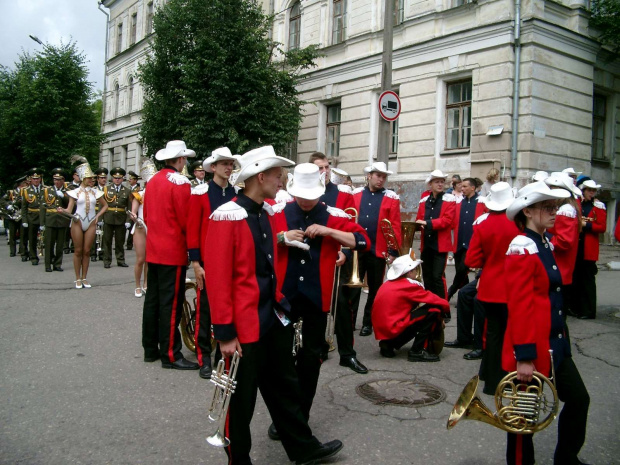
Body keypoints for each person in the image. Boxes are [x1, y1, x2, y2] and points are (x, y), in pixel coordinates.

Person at [205, 146, 344, 465]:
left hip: (271, 319)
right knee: (240, 402)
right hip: (242, 327)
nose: (283, 180)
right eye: (278, 175)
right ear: (260, 176)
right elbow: (218, 276)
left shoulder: (265, 212)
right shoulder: (227, 214)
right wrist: (225, 333)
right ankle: (238, 459)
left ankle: (303, 448)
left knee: (285, 388)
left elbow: (265, 259)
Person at [273, 163, 370, 426]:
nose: (306, 200)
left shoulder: (332, 214)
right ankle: (283, 414)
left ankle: (301, 415)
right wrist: (281, 237)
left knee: (310, 361)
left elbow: (363, 241)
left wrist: (329, 232)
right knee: (282, 360)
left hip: (317, 299)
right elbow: (261, 243)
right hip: (284, 297)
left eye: (311, 195)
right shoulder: (278, 213)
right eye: (302, 195)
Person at [503, 180, 589, 465]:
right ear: (527, 212)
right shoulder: (522, 246)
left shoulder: (543, 241)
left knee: (579, 399)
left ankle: (566, 459)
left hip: (555, 344)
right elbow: (520, 306)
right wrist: (525, 356)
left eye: (555, 207)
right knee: (522, 425)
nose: (555, 212)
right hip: (532, 348)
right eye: (547, 207)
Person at [142, 140, 199, 370]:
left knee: (153, 300)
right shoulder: (180, 182)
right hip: (172, 250)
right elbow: (186, 218)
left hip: (154, 248)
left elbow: (146, 215)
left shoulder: (153, 180)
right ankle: (171, 355)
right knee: (171, 304)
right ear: (181, 159)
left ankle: (150, 348)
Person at [311, 153, 368, 374]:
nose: (324, 171)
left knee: (342, 306)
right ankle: (320, 347)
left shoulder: (342, 193)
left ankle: (347, 354)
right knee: (314, 306)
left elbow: (351, 226)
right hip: (310, 259)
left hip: (336, 258)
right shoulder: (302, 192)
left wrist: (344, 251)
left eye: (326, 167)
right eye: (319, 168)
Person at [187, 147, 238, 379]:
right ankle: (203, 358)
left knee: (226, 310)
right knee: (205, 311)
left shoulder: (236, 192)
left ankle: (221, 355)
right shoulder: (200, 193)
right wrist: (196, 263)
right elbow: (193, 229)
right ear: (213, 168)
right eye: (223, 164)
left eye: (230, 163)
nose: (228, 167)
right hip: (207, 263)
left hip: (230, 262)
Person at [463, 182, 519, 392]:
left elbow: (471, 259)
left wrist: (489, 260)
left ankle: (488, 376)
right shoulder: (518, 224)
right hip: (512, 286)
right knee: (507, 334)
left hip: (490, 286)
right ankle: (500, 379)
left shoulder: (482, 224)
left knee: (493, 333)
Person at [352, 161, 401, 337]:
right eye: (378, 176)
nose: (381, 180)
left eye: (384, 177)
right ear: (369, 176)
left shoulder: (391, 197)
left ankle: (368, 323)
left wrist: (393, 250)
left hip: (378, 249)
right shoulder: (356, 194)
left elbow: (395, 225)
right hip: (357, 248)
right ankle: (349, 322)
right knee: (353, 287)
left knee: (374, 289)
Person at [372, 254, 449, 362]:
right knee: (434, 310)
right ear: (409, 272)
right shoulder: (408, 285)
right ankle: (417, 351)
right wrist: (444, 311)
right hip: (392, 328)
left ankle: (388, 344)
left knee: (420, 313)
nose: (416, 272)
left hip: (385, 330)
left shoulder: (388, 283)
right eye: (414, 270)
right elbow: (433, 299)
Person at [59, 158, 109, 288]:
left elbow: (105, 206)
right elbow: (69, 209)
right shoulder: (74, 192)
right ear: (83, 178)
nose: (92, 180)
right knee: (78, 250)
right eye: (89, 178)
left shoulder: (96, 192)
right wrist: (62, 210)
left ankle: (84, 277)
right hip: (77, 221)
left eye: (92, 178)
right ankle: (77, 278)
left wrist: (98, 216)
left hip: (91, 222)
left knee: (87, 251)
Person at [544, 172, 582, 323]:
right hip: (560, 267)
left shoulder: (566, 210)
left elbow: (564, 241)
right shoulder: (566, 208)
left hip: (561, 267)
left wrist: (545, 239)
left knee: (557, 317)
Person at [415, 170, 456, 303]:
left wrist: (427, 223)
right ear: (430, 184)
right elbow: (419, 218)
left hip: (440, 245)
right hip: (426, 244)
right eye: (437, 182)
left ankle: (443, 307)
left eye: (442, 182)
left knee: (437, 277)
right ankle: (430, 303)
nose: (440, 184)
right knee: (427, 276)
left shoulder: (449, 199)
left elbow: (447, 220)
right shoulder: (424, 201)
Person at [570, 178, 606, 319]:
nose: (591, 193)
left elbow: (602, 227)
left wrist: (587, 226)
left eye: (593, 191)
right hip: (578, 246)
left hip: (588, 248)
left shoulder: (599, 206)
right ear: (583, 191)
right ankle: (577, 308)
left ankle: (589, 311)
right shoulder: (579, 204)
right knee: (577, 279)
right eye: (589, 190)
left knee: (588, 281)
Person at [447, 177, 486, 301]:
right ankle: (465, 296)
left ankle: (448, 294)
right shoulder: (459, 203)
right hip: (459, 242)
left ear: (473, 188)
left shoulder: (481, 202)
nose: (462, 189)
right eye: (461, 186)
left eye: (464, 186)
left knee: (462, 270)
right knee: (461, 272)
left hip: (472, 243)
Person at [128, 160, 157, 298]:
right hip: (140, 228)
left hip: (153, 228)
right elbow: (133, 212)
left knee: (149, 260)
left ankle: (146, 283)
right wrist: (134, 218)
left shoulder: (158, 194)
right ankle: (137, 285)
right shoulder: (138, 195)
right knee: (141, 259)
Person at [40, 168, 71, 272]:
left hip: (62, 220)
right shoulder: (47, 191)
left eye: (59, 180)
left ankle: (57, 264)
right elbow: (43, 207)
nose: (57, 182)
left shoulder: (68, 191)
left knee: (60, 245)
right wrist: (42, 223)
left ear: (63, 180)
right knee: (49, 244)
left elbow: (71, 206)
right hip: (50, 220)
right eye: (55, 180)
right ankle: (47, 265)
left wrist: (64, 197)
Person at [102, 167, 132, 269]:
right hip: (108, 217)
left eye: (119, 178)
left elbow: (129, 207)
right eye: (115, 178)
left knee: (120, 241)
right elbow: (102, 205)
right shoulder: (106, 189)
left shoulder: (127, 191)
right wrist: (100, 218)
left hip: (121, 218)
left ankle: (120, 260)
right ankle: (107, 260)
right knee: (107, 241)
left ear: (123, 179)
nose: (117, 180)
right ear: (112, 178)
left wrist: (128, 220)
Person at [20, 168, 45, 265]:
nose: (36, 180)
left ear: (40, 179)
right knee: (32, 238)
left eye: (37, 178)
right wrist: (24, 220)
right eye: (34, 179)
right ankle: (33, 256)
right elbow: (24, 207)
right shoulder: (26, 191)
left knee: (46, 238)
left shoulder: (46, 189)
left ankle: (49, 256)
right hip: (32, 217)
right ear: (30, 179)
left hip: (43, 216)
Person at [0, 177, 26, 258]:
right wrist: (9, 205)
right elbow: (2, 200)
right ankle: (12, 251)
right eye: (25, 184)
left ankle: (22, 250)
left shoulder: (26, 192)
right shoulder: (11, 192)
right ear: (20, 185)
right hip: (12, 216)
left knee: (23, 235)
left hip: (22, 216)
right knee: (12, 235)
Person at [90, 167, 108, 262]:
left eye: (105, 177)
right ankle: (93, 253)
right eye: (101, 178)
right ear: (97, 179)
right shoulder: (93, 189)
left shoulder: (108, 189)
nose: (103, 179)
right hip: (95, 212)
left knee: (103, 234)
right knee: (94, 234)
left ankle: (102, 253)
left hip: (105, 213)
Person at [125, 171, 141, 251]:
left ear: (135, 180)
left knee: (132, 228)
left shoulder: (138, 189)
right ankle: (127, 243)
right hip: (128, 210)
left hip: (135, 211)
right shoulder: (129, 189)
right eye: (129, 179)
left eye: (131, 179)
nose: (129, 180)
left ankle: (129, 244)